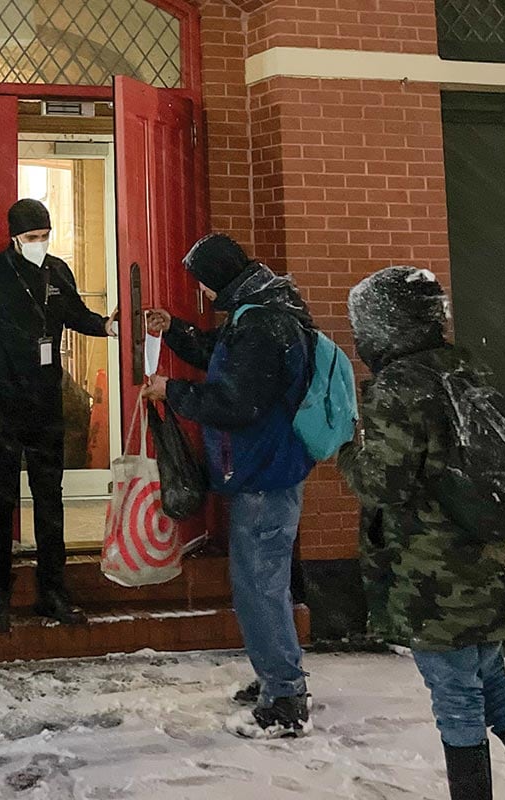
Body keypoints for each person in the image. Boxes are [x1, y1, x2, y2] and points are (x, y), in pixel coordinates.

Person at [337, 266, 505, 800]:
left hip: (434, 578)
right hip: (485, 562)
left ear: (384, 324)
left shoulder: (401, 387)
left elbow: (384, 483)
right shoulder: (465, 371)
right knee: (495, 689)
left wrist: (346, 450)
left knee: (457, 702)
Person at [142, 233, 315, 738]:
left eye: (202, 282)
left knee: (259, 585)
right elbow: (220, 355)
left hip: (264, 472)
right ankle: (278, 676)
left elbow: (237, 403)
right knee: (263, 582)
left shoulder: (261, 322)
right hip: (265, 467)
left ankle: (285, 696)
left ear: (218, 278)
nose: (202, 291)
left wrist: (172, 391)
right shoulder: (259, 310)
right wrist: (174, 330)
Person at [0, 199, 116, 633]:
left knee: (49, 496)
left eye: (44, 236)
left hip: (46, 400)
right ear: (14, 238)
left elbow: (75, 315)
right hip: (2, 400)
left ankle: (52, 591)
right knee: (0, 497)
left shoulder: (57, 272)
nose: (40, 243)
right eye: (32, 237)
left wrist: (106, 326)